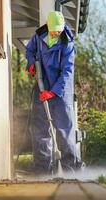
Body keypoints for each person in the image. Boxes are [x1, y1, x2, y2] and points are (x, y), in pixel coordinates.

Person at [26, 11, 79, 173]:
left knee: (64, 129)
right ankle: (42, 169)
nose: (57, 32)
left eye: (59, 29)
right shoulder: (39, 36)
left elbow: (67, 72)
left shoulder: (67, 44)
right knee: (40, 129)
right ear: (48, 26)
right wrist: (31, 64)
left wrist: (54, 92)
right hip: (42, 87)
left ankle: (71, 168)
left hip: (61, 92)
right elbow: (30, 50)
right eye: (54, 29)